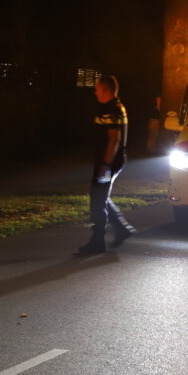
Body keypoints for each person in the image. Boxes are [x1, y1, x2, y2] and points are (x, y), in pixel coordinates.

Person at [78, 74, 134, 254]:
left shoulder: (111, 109)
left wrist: (105, 164)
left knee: (97, 199)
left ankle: (97, 241)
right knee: (100, 195)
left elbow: (113, 140)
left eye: (97, 89)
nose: (95, 93)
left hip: (108, 162)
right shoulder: (115, 107)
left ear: (105, 90)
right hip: (110, 161)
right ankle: (122, 228)